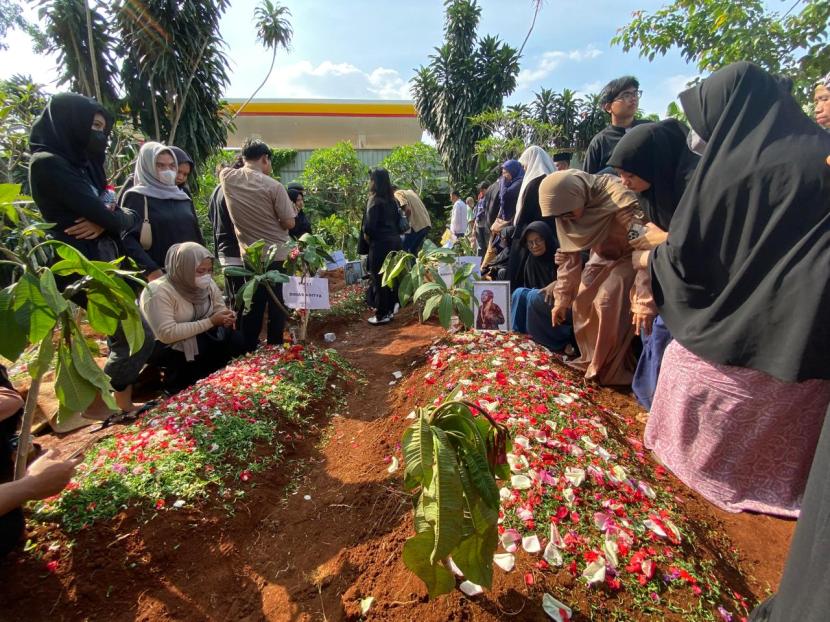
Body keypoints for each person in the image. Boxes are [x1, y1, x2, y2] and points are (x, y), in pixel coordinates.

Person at [644, 62, 830, 517]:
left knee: (682, 358)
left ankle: (698, 462)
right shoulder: (822, 154)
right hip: (803, 330)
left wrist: (653, 251)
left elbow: (687, 249)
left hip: (729, 335)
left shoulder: (732, 167)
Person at [28, 93, 152, 414]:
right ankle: (100, 405)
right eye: (93, 127)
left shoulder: (85, 165)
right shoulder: (49, 165)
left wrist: (107, 220)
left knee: (125, 338)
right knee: (138, 338)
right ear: (71, 124)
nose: (100, 135)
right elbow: (114, 215)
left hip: (105, 260)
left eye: (102, 128)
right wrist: (109, 218)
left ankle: (121, 407)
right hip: (79, 265)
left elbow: (120, 214)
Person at [606, 119, 700, 409]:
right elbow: (640, 235)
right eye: (620, 175)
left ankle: (658, 405)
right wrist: (646, 246)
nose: (624, 182)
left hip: (693, 286)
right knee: (651, 332)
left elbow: (696, 244)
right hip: (658, 274)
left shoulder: (693, 189)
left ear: (653, 165)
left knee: (661, 335)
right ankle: (649, 400)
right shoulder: (645, 196)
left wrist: (660, 242)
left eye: (630, 174)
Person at [539, 169, 648, 385]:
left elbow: (642, 239)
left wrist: (644, 294)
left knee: (606, 301)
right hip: (601, 255)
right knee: (581, 301)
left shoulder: (617, 197)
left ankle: (607, 368)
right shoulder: (565, 210)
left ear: (578, 194)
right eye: (560, 216)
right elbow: (570, 258)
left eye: (568, 213)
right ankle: (590, 358)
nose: (565, 219)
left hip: (631, 256)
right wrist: (561, 301)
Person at [220, 139, 295, 351]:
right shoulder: (274, 186)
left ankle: (249, 348)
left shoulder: (227, 178)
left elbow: (222, 168)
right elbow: (289, 222)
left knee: (253, 303)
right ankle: (274, 346)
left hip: (250, 257)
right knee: (276, 304)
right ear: (265, 159)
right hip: (276, 255)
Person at [140, 242, 242, 393]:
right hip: (171, 349)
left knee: (238, 341)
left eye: (209, 270)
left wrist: (226, 316)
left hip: (204, 339)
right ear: (183, 268)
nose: (206, 276)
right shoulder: (157, 291)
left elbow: (218, 307)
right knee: (188, 390)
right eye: (200, 271)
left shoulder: (206, 284)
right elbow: (167, 334)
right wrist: (210, 322)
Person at [121, 141, 204, 282]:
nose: (168, 171)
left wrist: (204, 262)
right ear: (148, 166)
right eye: (160, 165)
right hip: (157, 279)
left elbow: (195, 231)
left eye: (172, 166)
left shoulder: (182, 196)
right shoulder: (137, 196)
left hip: (188, 274)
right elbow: (127, 239)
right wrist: (151, 271)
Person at [510, 221, 574, 349]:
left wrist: (557, 282)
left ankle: (549, 341)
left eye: (538, 240)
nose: (534, 246)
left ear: (547, 239)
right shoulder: (531, 262)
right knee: (519, 293)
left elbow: (580, 268)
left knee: (533, 296)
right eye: (530, 243)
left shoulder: (561, 254)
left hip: (566, 305)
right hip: (542, 305)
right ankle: (517, 336)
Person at [508, 146, 557, 289]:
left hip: (532, 236)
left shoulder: (535, 182)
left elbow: (525, 215)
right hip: (549, 237)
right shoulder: (549, 179)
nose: (524, 169)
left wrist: (515, 233)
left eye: (525, 165)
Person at [582, 76, 651, 174]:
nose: (634, 98)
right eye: (626, 95)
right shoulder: (600, 142)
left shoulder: (650, 129)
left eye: (635, 93)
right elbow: (588, 182)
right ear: (609, 107)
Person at [362, 168, 402, 325]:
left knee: (379, 278)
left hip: (380, 245)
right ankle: (390, 311)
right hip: (395, 242)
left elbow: (370, 227)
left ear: (375, 182)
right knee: (391, 277)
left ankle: (382, 314)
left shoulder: (374, 201)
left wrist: (366, 236)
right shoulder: (392, 200)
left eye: (371, 179)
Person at [208, 156, 245, 307]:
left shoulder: (215, 191)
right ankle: (239, 329)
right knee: (241, 298)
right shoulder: (232, 190)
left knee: (233, 296)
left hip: (224, 250)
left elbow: (211, 218)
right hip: (236, 250)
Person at [395, 188, 431, 254]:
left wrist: (406, 224)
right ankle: (415, 264)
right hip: (426, 224)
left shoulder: (397, 193)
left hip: (416, 227)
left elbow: (408, 210)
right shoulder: (411, 192)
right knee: (413, 250)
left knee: (402, 251)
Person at [472, 182, 489, 256]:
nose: (481, 192)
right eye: (480, 190)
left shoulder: (490, 198)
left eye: (482, 190)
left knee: (487, 245)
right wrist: (474, 227)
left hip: (486, 226)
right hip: (479, 225)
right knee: (480, 246)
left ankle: (486, 263)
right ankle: (480, 263)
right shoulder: (481, 199)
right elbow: (477, 213)